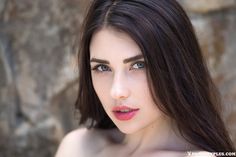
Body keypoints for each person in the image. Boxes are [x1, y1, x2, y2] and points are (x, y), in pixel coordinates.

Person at [55, 0, 235, 156]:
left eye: (139, 65)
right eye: (102, 67)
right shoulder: (78, 147)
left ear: (177, 66)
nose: (117, 91)